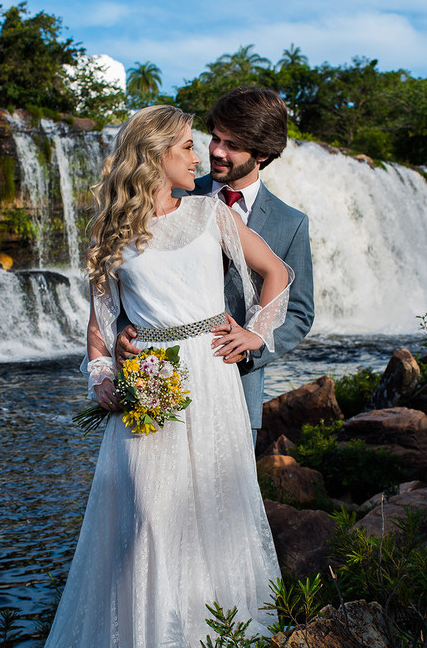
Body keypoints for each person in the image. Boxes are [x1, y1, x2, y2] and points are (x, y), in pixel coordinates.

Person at [25, 105, 292, 648]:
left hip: (212, 379)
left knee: (212, 514)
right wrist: (107, 385)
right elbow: (96, 331)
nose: (200, 159)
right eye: (187, 149)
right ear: (153, 155)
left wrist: (255, 330)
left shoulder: (211, 213)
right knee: (146, 518)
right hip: (149, 384)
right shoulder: (109, 236)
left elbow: (274, 274)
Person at [117, 87, 314, 443]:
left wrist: (253, 341)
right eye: (215, 139)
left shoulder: (291, 223)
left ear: (263, 154)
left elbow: (299, 312)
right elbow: (129, 276)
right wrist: (122, 335)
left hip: (238, 389)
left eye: (233, 145)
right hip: (159, 387)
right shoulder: (173, 190)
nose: (217, 152)